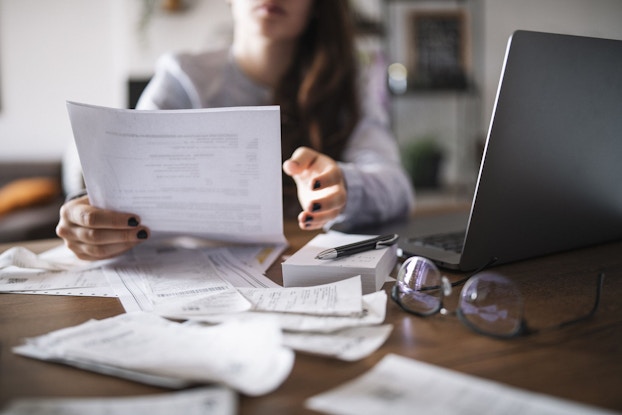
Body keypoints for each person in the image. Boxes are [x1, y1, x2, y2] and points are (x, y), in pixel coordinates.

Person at [57, 0, 415, 261]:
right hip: (192, 274)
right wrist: (88, 216)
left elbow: (396, 186)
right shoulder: (183, 77)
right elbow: (127, 180)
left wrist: (341, 186)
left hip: (304, 268)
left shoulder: (349, 86)